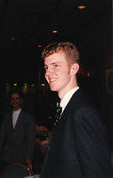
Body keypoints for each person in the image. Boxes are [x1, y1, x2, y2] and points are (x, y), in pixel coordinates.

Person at [41, 41, 112, 177]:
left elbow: (97, 173)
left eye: (55, 65)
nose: (48, 73)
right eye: (46, 67)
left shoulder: (82, 112)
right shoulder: (67, 107)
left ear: (73, 69)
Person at [0, 90, 35, 171]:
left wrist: (29, 156)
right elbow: (2, 135)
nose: (14, 101)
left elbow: (31, 139)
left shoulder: (28, 117)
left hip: (22, 156)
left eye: (17, 99)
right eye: (12, 99)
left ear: (21, 100)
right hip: (7, 155)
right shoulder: (6, 116)